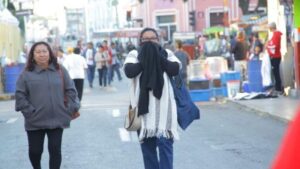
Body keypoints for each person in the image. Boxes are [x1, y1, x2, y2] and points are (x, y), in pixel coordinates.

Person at [15, 41, 80, 169]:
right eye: (38, 52)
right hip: (35, 120)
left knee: (55, 150)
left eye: (44, 51)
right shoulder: (26, 74)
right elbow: (20, 95)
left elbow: (71, 90)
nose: (42, 54)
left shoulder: (60, 70)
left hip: (57, 118)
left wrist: (69, 108)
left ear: (50, 53)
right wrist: (30, 112)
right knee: (35, 151)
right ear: (32, 55)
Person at [124, 27, 181, 169]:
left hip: (164, 111)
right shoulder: (134, 53)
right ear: (141, 41)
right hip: (144, 113)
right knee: (148, 151)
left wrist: (157, 57)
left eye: (153, 39)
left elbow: (175, 69)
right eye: (146, 39)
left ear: (158, 40)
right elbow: (129, 71)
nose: (149, 42)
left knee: (165, 146)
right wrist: (146, 58)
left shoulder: (166, 53)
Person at [266, 22, 283, 94]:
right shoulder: (275, 34)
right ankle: (277, 87)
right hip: (275, 56)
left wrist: (268, 46)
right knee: (275, 72)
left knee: (276, 73)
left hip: (275, 56)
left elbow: (275, 45)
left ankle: (278, 88)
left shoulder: (276, 34)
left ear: (271, 27)